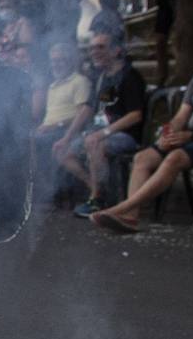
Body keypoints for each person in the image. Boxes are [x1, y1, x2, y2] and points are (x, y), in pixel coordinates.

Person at [92, 34, 193, 232]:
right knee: (143, 158)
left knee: (175, 158)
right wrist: (169, 132)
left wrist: (191, 136)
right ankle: (130, 217)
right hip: (191, 135)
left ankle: (122, 208)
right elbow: (182, 115)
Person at [62, 32, 147, 217]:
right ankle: (97, 189)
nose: (94, 52)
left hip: (125, 135)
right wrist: (67, 137)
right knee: (64, 151)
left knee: (96, 145)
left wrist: (104, 133)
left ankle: (97, 200)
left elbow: (135, 115)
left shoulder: (130, 76)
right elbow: (88, 109)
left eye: (100, 47)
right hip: (98, 132)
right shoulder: (101, 77)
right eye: (92, 47)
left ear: (116, 50)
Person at [32, 42, 94, 200]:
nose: (56, 64)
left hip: (67, 130)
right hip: (49, 129)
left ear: (70, 61)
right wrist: (43, 126)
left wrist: (55, 125)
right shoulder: (53, 85)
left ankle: (51, 191)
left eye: (60, 60)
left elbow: (83, 113)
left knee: (37, 142)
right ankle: (42, 191)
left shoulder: (79, 82)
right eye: (53, 60)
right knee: (19, 142)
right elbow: (51, 114)